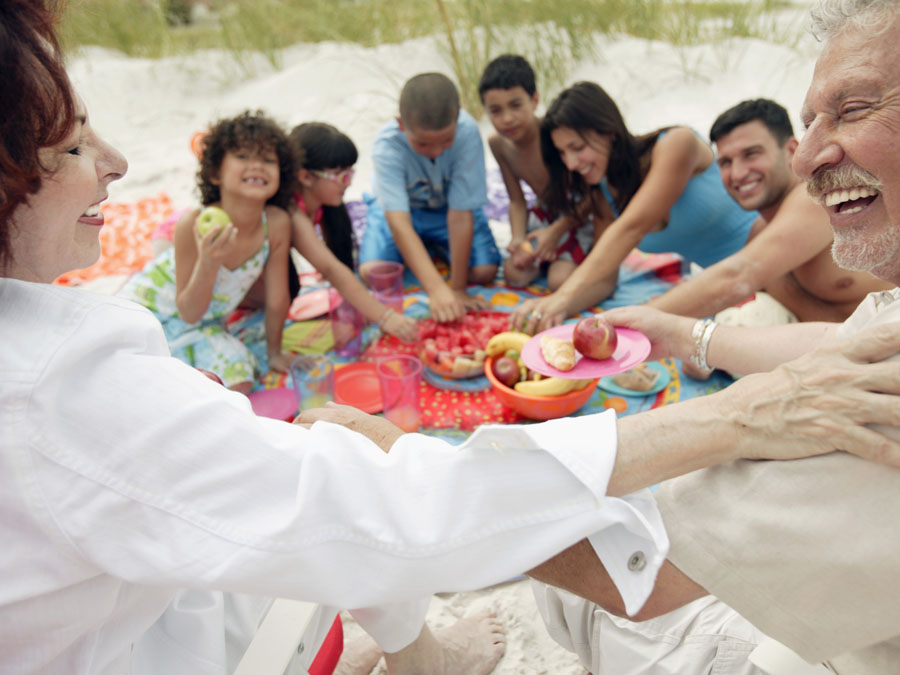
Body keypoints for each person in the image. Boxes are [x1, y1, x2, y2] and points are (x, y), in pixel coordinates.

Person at [5, 2, 900, 674]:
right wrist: (709, 369)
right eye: (72, 147)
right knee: (344, 474)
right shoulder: (62, 377)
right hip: (167, 619)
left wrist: (714, 380)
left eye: (850, 110)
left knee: (357, 468)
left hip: (753, 622)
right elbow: (362, 505)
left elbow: (656, 560)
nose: (805, 156)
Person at [527, 2, 900, 671]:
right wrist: (683, 336)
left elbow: (645, 572)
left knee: (575, 593)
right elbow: (850, 339)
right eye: (810, 121)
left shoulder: (677, 151)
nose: (808, 155)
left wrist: (427, 488)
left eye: (851, 109)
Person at [509, 81, 758, 334]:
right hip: (728, 288)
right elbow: (604, 278)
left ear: (609, 131)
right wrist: (558, 306)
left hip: (771, 260)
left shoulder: (677, 144)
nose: (571, 163)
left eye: (577, 148)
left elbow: (632, 227)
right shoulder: (604, 195)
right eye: (563, 153)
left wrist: (560, 298)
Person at [647, 97, 891, 327]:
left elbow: (736, 277)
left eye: (751, 154)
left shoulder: (821, 200)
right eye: (726, 162)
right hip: (850, 353)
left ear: (792, 151)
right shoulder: (760, 235)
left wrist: (633, 319)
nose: (738, 173)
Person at [117, 110, 296, 393]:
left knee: (239, 381)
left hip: (204, 326)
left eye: (268, 159)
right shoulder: (193, 224)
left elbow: (277, 299)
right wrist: (209, 262)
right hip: (150, 313)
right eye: (243, 156)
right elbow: (188, 311)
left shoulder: (275, 223)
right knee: (138, 382)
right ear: (215, 173)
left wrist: (275, 352)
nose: (258, 166)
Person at [358, 72, 501, 323]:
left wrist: (456, 289)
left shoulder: (468, 133)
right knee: (373, 273)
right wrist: (436, 290)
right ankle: (425, 252)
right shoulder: (387, 145)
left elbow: (459, 214)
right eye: (423, 144)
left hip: (449, 210)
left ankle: (426, 252)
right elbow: (398, 222)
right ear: (401, 125)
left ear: (458, 118)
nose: (435, 151)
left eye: (446, 140)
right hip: (403, 213)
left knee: (483, 271)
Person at [286, 122, 418, 342]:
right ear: (306, 177)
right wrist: (385, 317)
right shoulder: (290, 213)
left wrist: (365, 307)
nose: (348, 183)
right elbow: (332, 269)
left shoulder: (322, 205)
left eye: (350, 173)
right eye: (340, 175)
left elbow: (337, 265)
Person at [479, 54, 594, 290]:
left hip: (580, 214)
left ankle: (581, 259)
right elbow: (516, 200)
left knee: (558, 281)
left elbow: (593, 195)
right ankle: (551, 254)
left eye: (516, 105)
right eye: (496, 111)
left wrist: (555, 232)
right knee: (514, 274)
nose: (507, 118)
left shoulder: (554, 135)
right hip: (546, 212)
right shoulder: (498, 144)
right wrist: (518, 238)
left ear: (534, 100)